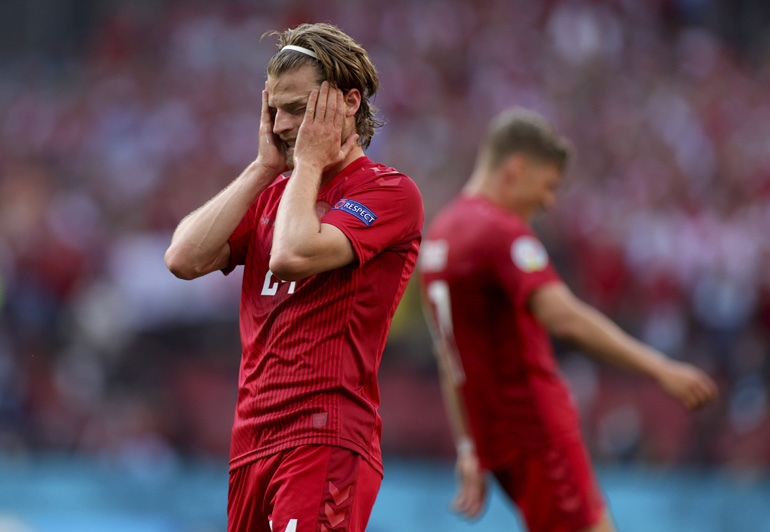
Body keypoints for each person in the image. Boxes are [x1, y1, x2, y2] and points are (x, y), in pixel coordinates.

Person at [164, 23, 423, 532]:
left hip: (324, 436)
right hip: (251, 441)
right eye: (274, 109)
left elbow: (291, 255)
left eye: (299, 109)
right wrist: (263, 169)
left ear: (348, 103)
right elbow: (183, 258)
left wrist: (305, 163)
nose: (282, 125)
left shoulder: (389, 192)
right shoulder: (271, 192)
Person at [419, 108, 717, 532]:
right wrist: (660, 367)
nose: (548, 202)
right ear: (516, 169)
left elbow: (449, 357)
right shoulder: (500, 231)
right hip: (537, 431)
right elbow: (564, 317)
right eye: (548, 185)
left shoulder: (440, 234)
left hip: (498, 440)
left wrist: (469, 448)